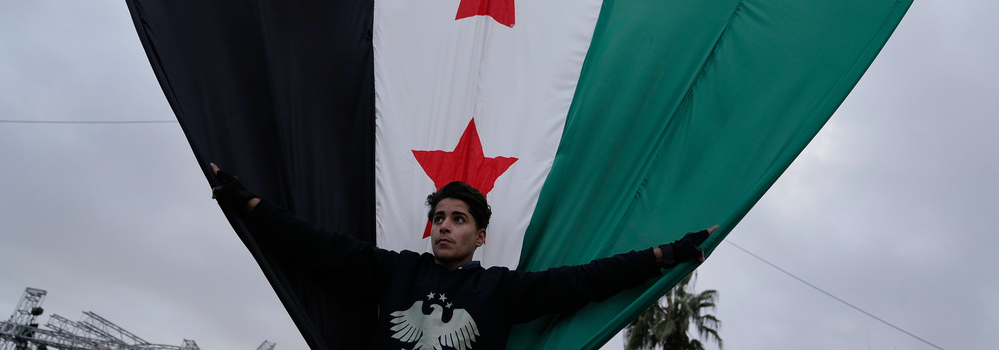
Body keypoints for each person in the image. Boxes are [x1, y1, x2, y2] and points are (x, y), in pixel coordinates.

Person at [211, 163, 716, 350]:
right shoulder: (395, 270)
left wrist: (664, 253)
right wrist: (249, 203)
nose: (445, 226)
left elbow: (586, 280)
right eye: (440, 218)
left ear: (480, 237)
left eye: (458, 219)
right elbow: (316, 246)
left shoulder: (501, 289)